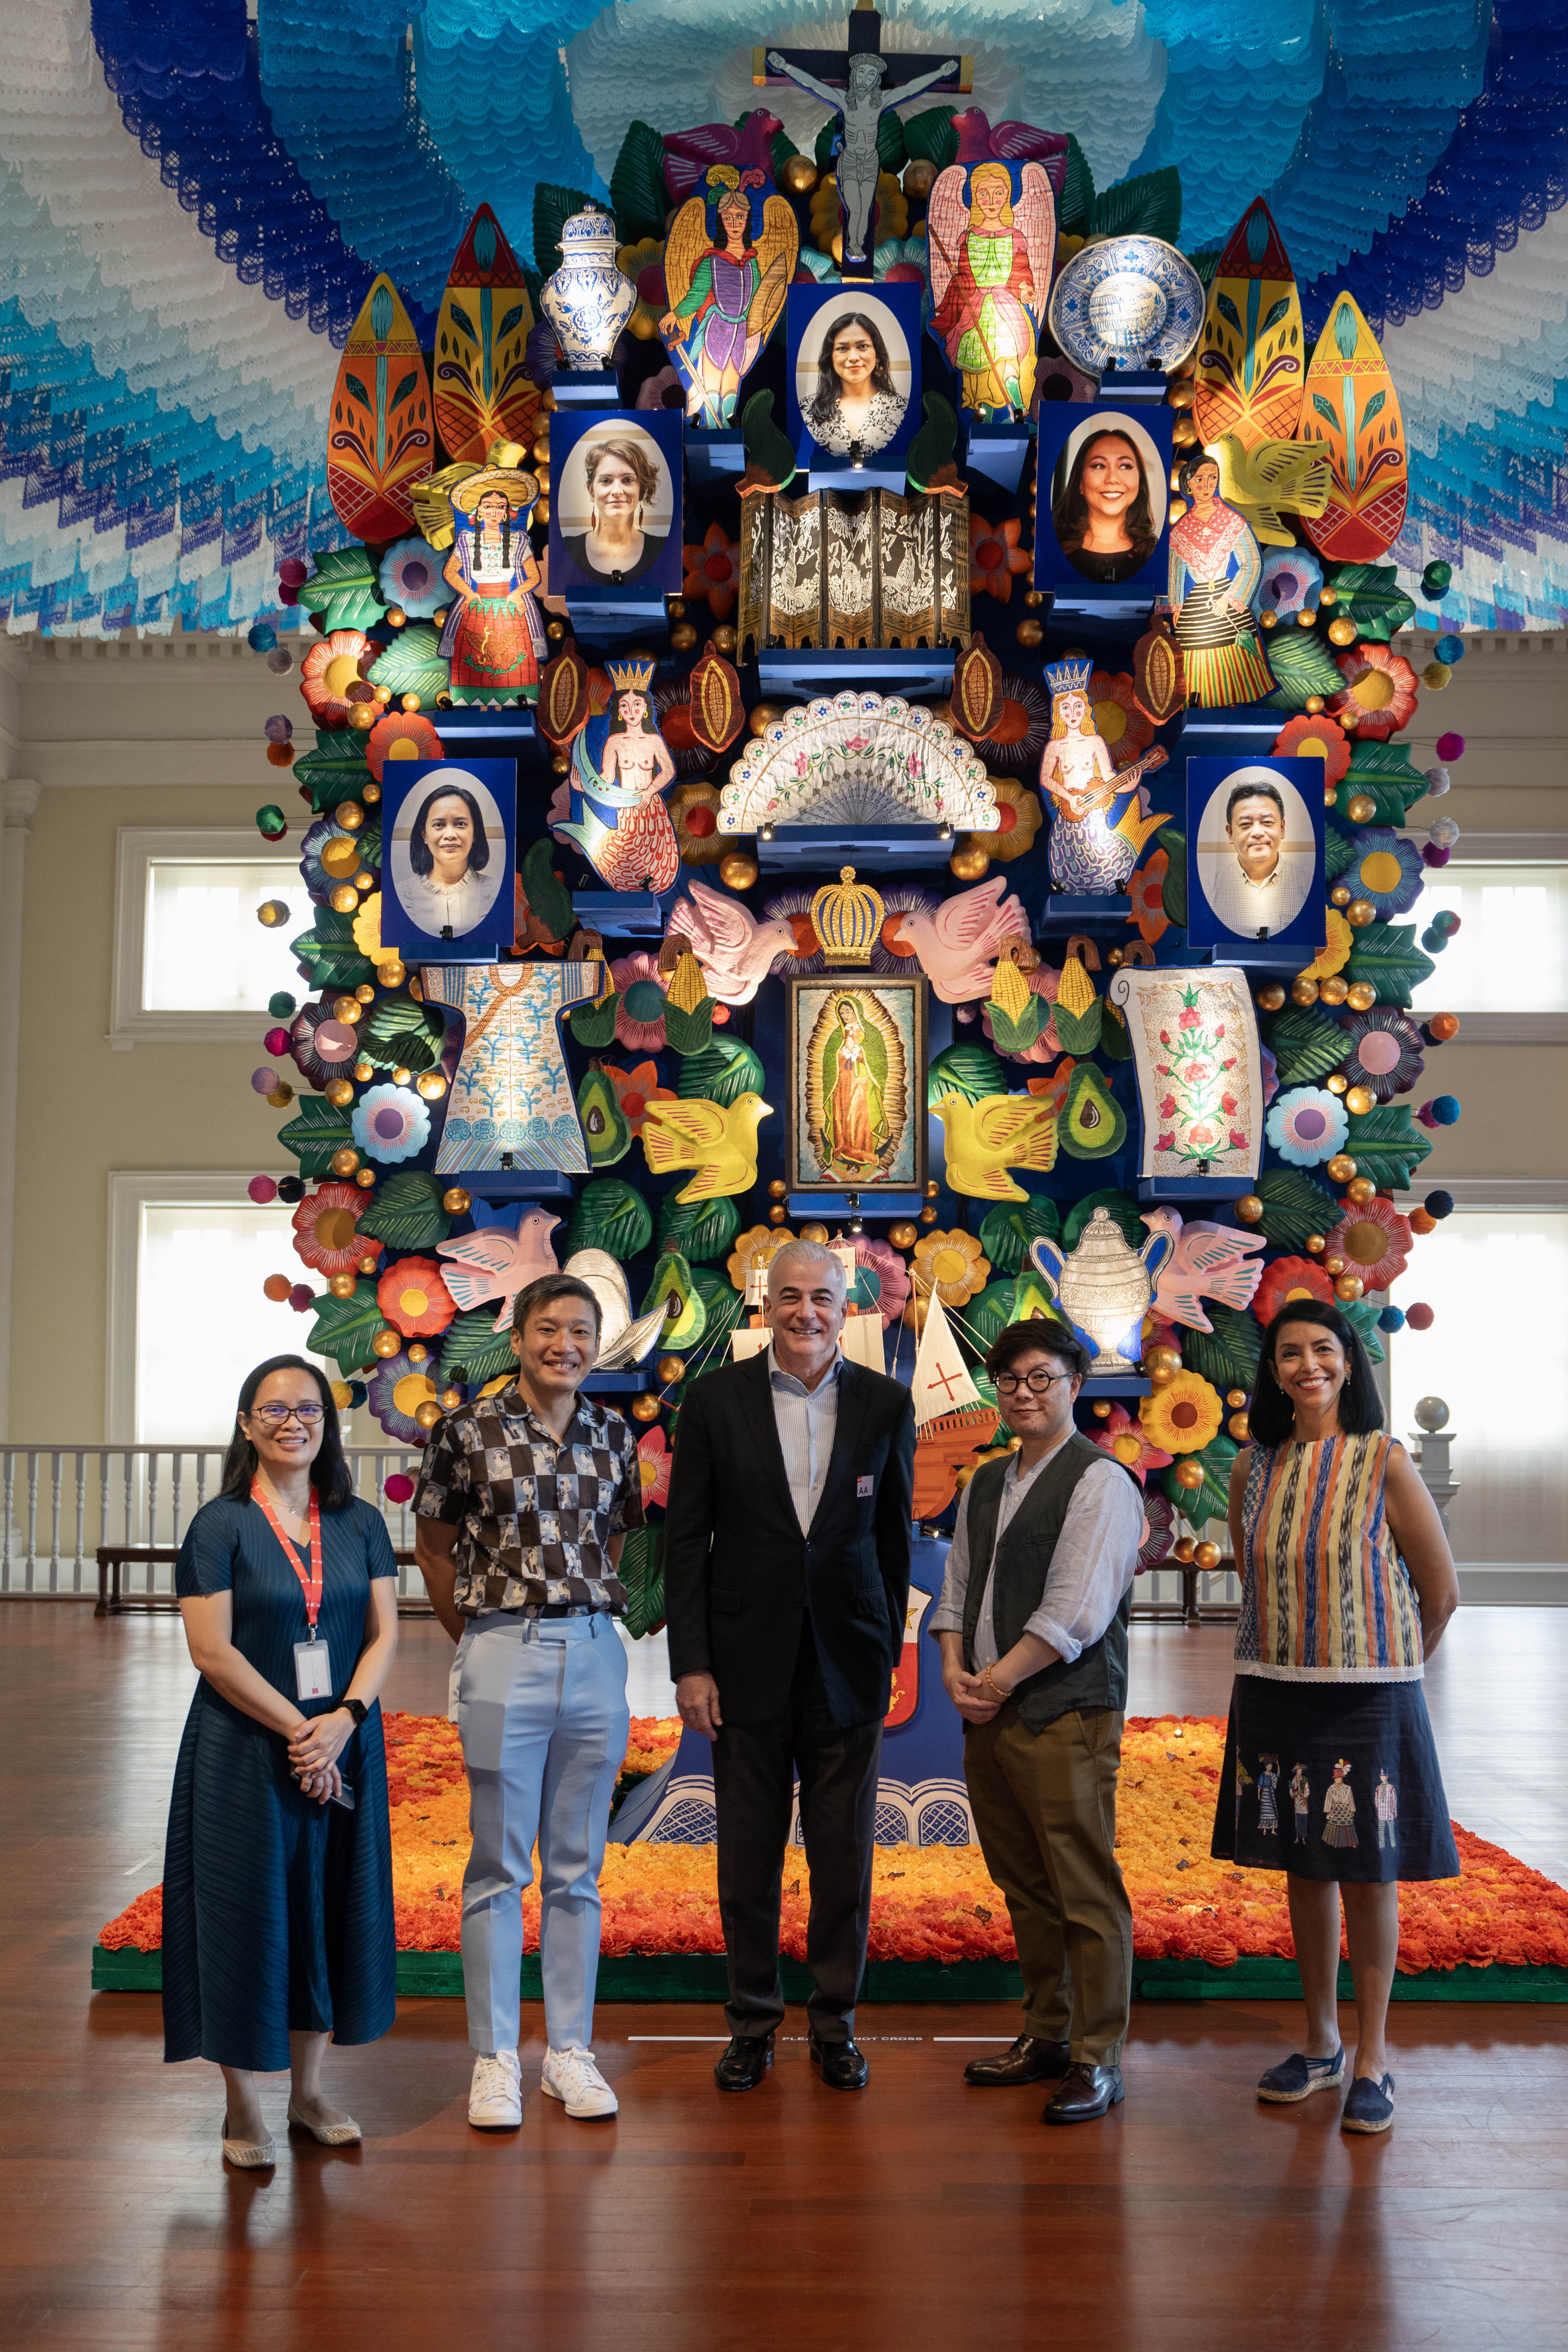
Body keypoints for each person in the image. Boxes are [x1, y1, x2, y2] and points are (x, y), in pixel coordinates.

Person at [663, 1239, 916, 2093]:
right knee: (748, 1855)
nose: (806, 1312)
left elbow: (892, 1541)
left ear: (848, 1309)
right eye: (791, 1296)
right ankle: (753, 2021)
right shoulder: (712, 1401)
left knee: (843, 1856)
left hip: (849, 1663)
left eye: (823, 1298)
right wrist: (691, 1665)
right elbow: (685, 1543)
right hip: (742, 1668)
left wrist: (885, 1649)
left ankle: (836, 2023)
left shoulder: (885, 1405)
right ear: (764, 1304)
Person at [1211, 1301, 1460, 2135]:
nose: (1305, 1365)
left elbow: (1441, 1591)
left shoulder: (1382, 1460)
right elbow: (1257, 1583)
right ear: (1272, 1372)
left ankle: (1373, 2058)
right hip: (1277, 1685)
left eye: (1322, 1350)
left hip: (1368, 1694)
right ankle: (1318, 2044)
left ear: (1349, 1362)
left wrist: (1387, 1666)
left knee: (1367, 1869)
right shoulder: (1255, 1467)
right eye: (1289, 1353)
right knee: (1304, 1864)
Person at [413, 1272, 643, 2127]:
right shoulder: (465, 1431)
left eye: (581, 1332)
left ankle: (571, 2054)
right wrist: (476, 1639)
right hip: (502, 1646)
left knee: (578, 1869)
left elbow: (614, 1536)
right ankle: (496, 2058)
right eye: (548, 1330)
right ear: (517, 1338)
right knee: (499, 1866)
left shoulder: (614, 1435)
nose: (565, 1346)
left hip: (592, 1653)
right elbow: (435, 1548)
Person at [162, 1357, 399, 2169]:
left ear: (328, 1425)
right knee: (247, 1915)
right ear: (246, 1423)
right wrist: (304, 1730)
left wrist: (345, 1720)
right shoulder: (219, 1525)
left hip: (344, 1744)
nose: (292, 1421)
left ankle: (307, 2093)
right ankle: (242, 2105)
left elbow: (384, 1636)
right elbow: (211, 1651)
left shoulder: (360, 1521)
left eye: (309, 1409)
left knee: (325, 1911)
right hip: (244, 1749)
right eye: (274, 1409)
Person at [933, 1322, 1144, 2124]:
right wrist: (954, 1669)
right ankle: (1047, 2034)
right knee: (1024, 1881)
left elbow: (1075, 1613)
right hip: (990, 1713)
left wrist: (992, 1680)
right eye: (1010, 1379)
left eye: (1041, 1377)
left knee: (1082, 1886)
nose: (1024, 1392)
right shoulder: (986, 1481)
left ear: (1074, 1384)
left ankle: (1098, 2056)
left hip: (1064, 1711)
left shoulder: (1099, 1483)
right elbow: (956, 1588)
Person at [928, 160, 1041, 418]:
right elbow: (968, 276)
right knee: (979, 366)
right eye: (983, 193)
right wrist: (961, 279)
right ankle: (985, 418)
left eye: (999, 193)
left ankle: (1019, 412)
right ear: (975, 198)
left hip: (1006, 308)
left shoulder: (1015, 237)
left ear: (1008, 196)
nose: (991, 200)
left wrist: (1024, 289)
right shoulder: (968, 237)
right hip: (975, 311)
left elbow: (1020, 271)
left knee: (1009, 357)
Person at [1167, 452, 1274, 706]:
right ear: (1189, 484)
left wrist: (1230, 599)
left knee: (1236, 666)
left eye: (1213, 478)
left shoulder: (1233, 522)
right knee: (1194, 668)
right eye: (1200, 480)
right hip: (1196, 608)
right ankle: (1199, 703)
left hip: (1229, 599)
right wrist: (1176, 609)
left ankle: (1234, 703)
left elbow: (1252, 563)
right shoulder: (1180, 530)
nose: (1207, 486)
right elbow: (1175, 574)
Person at [439, 467, 546, 704]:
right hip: (476, 608)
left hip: (511, 610)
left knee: (513, 662)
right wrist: (469, 594)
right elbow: (450, 572)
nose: (494, 512)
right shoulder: (467, 541)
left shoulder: (518, 541)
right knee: (475, 662)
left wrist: (518, 593)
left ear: (508, 512)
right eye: (488, 506)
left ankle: (517, 703)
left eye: (500, 507)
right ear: (478, 511)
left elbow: (533, 577)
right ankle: (474, 708)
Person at [1202, 774, 1313, 937]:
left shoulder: (1309, 885)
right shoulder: (1209, 890)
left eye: (1267, 822)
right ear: (1231, 833)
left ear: (1282, 828)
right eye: (1246, 825)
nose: (1258, 833)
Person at [1053, 427, 1159, 583]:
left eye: (1125, 466)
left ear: (1141, 481)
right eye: (1100, 466)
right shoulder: (1052, 548)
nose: (1112, 479)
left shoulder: (1157, 554)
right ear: (1080, 484)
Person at [559, 437, 668, 587]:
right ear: (591, 492)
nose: (617, 491)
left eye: (628, 480)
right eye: (606, 481)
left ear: (641, 490)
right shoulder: (566, 548)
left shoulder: (664, 549)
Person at [802, 310, 907, 457]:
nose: (853, 357)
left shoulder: (902, 407)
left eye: (863, 346)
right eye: (843, 348)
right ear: (830, 357)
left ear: (877, 353)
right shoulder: (807, 408)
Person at [403, 780, 499, 937]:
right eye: (439, 825)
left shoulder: (498, 892)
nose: (450, 835)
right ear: (424, 835)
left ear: (475, 833)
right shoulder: (402, 895)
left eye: (460, 824)